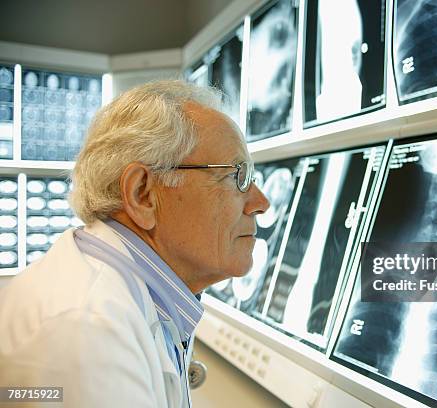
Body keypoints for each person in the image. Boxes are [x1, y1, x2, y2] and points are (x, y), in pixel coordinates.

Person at [0, 80, 270, 407]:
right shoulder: (89, 333)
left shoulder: (123, 291)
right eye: (236, 175)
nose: (260, 201)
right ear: (143, 194)